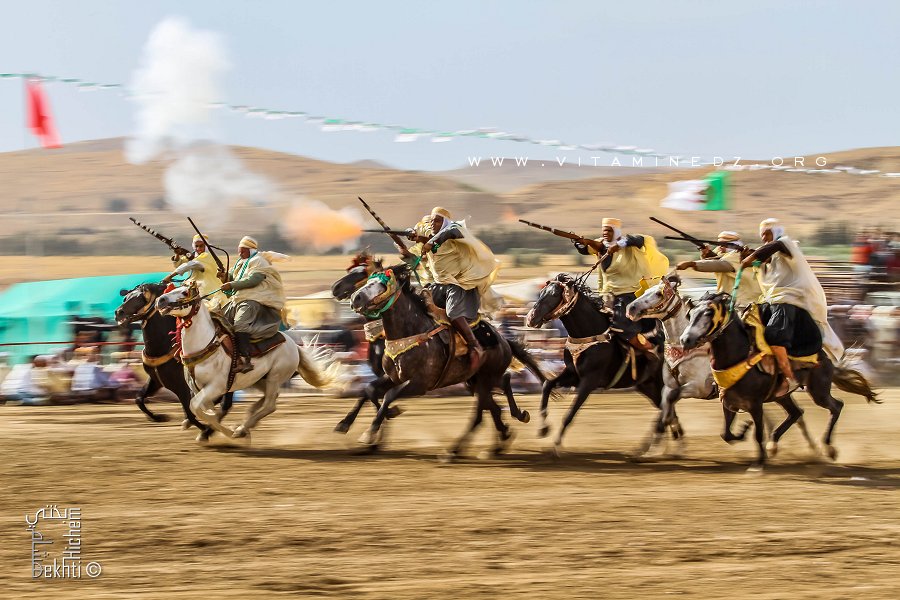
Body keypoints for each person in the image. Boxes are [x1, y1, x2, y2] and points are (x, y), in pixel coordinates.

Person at [741, 218, 844, 390]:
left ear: (776, 232)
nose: (764, 239)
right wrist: (749, 258)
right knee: (747, 324)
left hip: (790, 300)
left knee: (775, 335)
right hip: (772, 301)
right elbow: (760, 262)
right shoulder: (772, 257)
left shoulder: (786, 243)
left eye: (767, 234)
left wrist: (752, 256)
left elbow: (772, 248)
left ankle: (788, 377)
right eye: (762, 236)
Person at [407, 207, 501, 370]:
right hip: (437, 285)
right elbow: (418, 235)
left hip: (457, 285)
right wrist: (412, 234)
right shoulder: (428, 234)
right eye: (432, 221)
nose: (433, 223)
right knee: (415, 307)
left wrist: (432, 241)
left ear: (445, 221)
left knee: (453, 314)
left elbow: (450, 232)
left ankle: (474, 346)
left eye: (437, 220)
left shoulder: (455, 229)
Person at [573, 217, 669, 351]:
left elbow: (639, 239)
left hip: (630, 293)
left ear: (616, 231)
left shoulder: (629, 244)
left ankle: (649, 349)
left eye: (608, 230)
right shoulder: (600, 244)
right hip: (607, 295)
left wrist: (618, 246)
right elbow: (585, 249)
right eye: (603, 231)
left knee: (621, 324)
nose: (605, 233)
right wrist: (580, 242)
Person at [218, 236, 289, 373]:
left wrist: (230, 284)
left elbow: (254, 280)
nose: (240, 254)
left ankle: (245, 360)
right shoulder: (240, 262)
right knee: (217, 319)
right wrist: (223, 276)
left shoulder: (259, 261)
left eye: (243, 251)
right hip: (236, 300)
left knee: (240, 325)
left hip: (252, 301)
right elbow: (231, 278)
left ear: (250, 250)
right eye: (239, 251)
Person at [676, 231, 763, 308]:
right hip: (729, 301)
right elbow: (717, 259)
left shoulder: (737, 256)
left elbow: (718, 264)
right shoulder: (724, 255)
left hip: (744, 303)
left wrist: (691, 264)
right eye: (719, 244)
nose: (720, 247)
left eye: (724, 244)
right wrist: (706, 254)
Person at [163, 234, 228, 309]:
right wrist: (177, 253)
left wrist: (170, 276)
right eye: (196, 246)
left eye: (201, 246)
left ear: (206, 246)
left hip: (208, 292)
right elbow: (179, 264)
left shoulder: (207, 256)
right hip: (194, 289)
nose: (198, 248)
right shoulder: (193, 256)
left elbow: (191, 264)